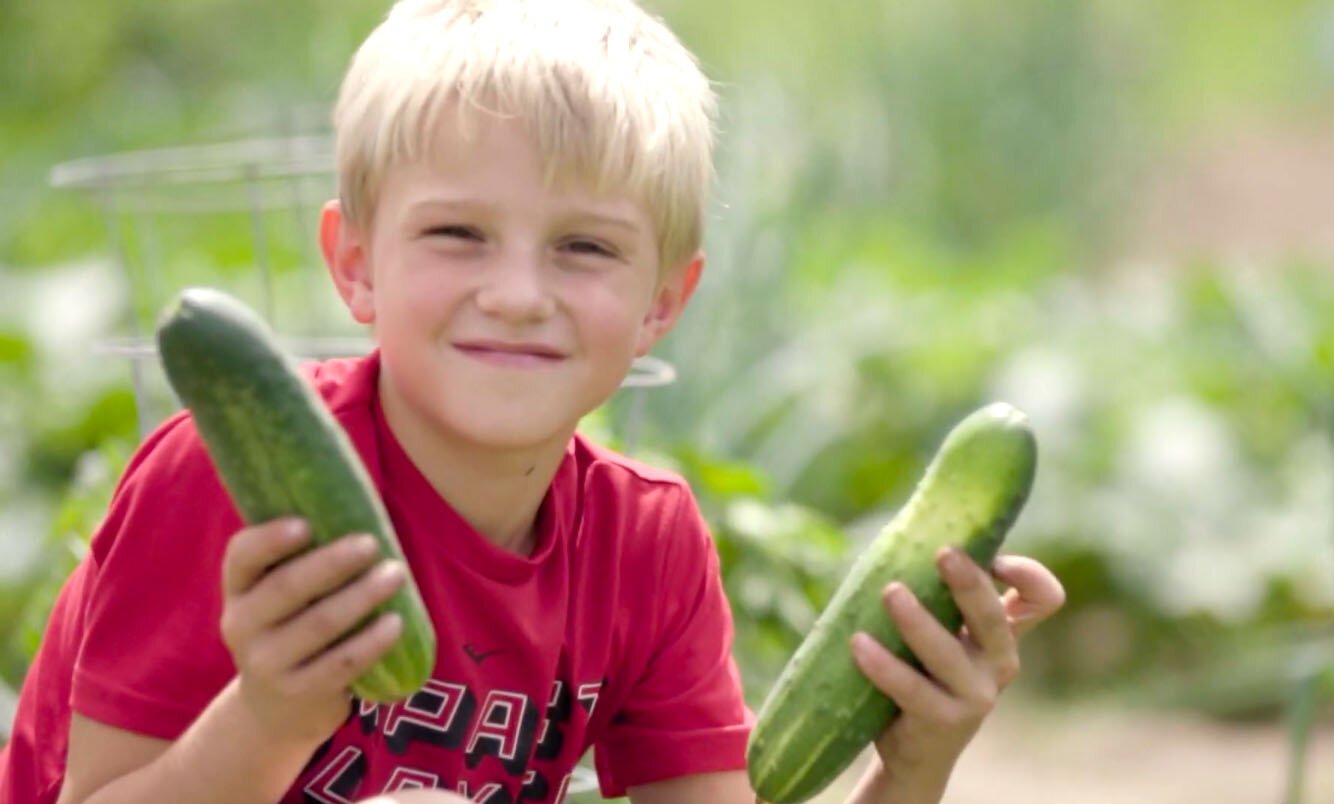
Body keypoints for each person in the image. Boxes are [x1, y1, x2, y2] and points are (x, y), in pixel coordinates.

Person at [0, 1, 1066, 802]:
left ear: (662, 302)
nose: (516, 296)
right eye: (457, 233)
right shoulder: (232, 481)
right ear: (356, 264)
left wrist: (915, 764)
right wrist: (271, 715)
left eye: (585, 248)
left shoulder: (645, 547)